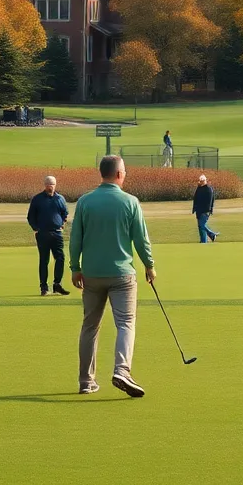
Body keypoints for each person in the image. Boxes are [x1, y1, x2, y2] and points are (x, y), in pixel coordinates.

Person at [70, 156, 156, 398]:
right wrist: (149, 265)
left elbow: (76, 238)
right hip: (122, 275)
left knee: (90, 326)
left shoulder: (85, 202)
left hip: (92, 274)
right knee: (126, 323)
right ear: (119, 174)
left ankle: (86, 381)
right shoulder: (130, 202)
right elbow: (141, 238)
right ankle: (122, 370)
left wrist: (74, 267)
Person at [27, 175, 70, 296]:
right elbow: (31, 216)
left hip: (57, 233)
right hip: (43, 234)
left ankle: (57, 285)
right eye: (48, 184)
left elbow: (64, 213)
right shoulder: (37, 199)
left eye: (52, 184)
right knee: (44, 260)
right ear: (45, 185)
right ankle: (44, 287)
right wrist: (36, 229)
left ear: (55, 185)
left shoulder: (60, 198)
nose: (50, 187)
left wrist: (62, 224)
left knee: (60, 258)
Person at [192, 174, 218, 243]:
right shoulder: (199, 189)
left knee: (202, 225)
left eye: (202, 181)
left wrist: (209, 210)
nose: (201, 182)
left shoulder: (208, 189)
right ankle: (203, 241)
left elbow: (210, 201)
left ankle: (212, 234)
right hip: (199, 211)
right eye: (200, 181)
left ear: (205, 181)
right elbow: (195, 198)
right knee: (200, 227)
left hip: (205, 211)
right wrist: (194, 208)